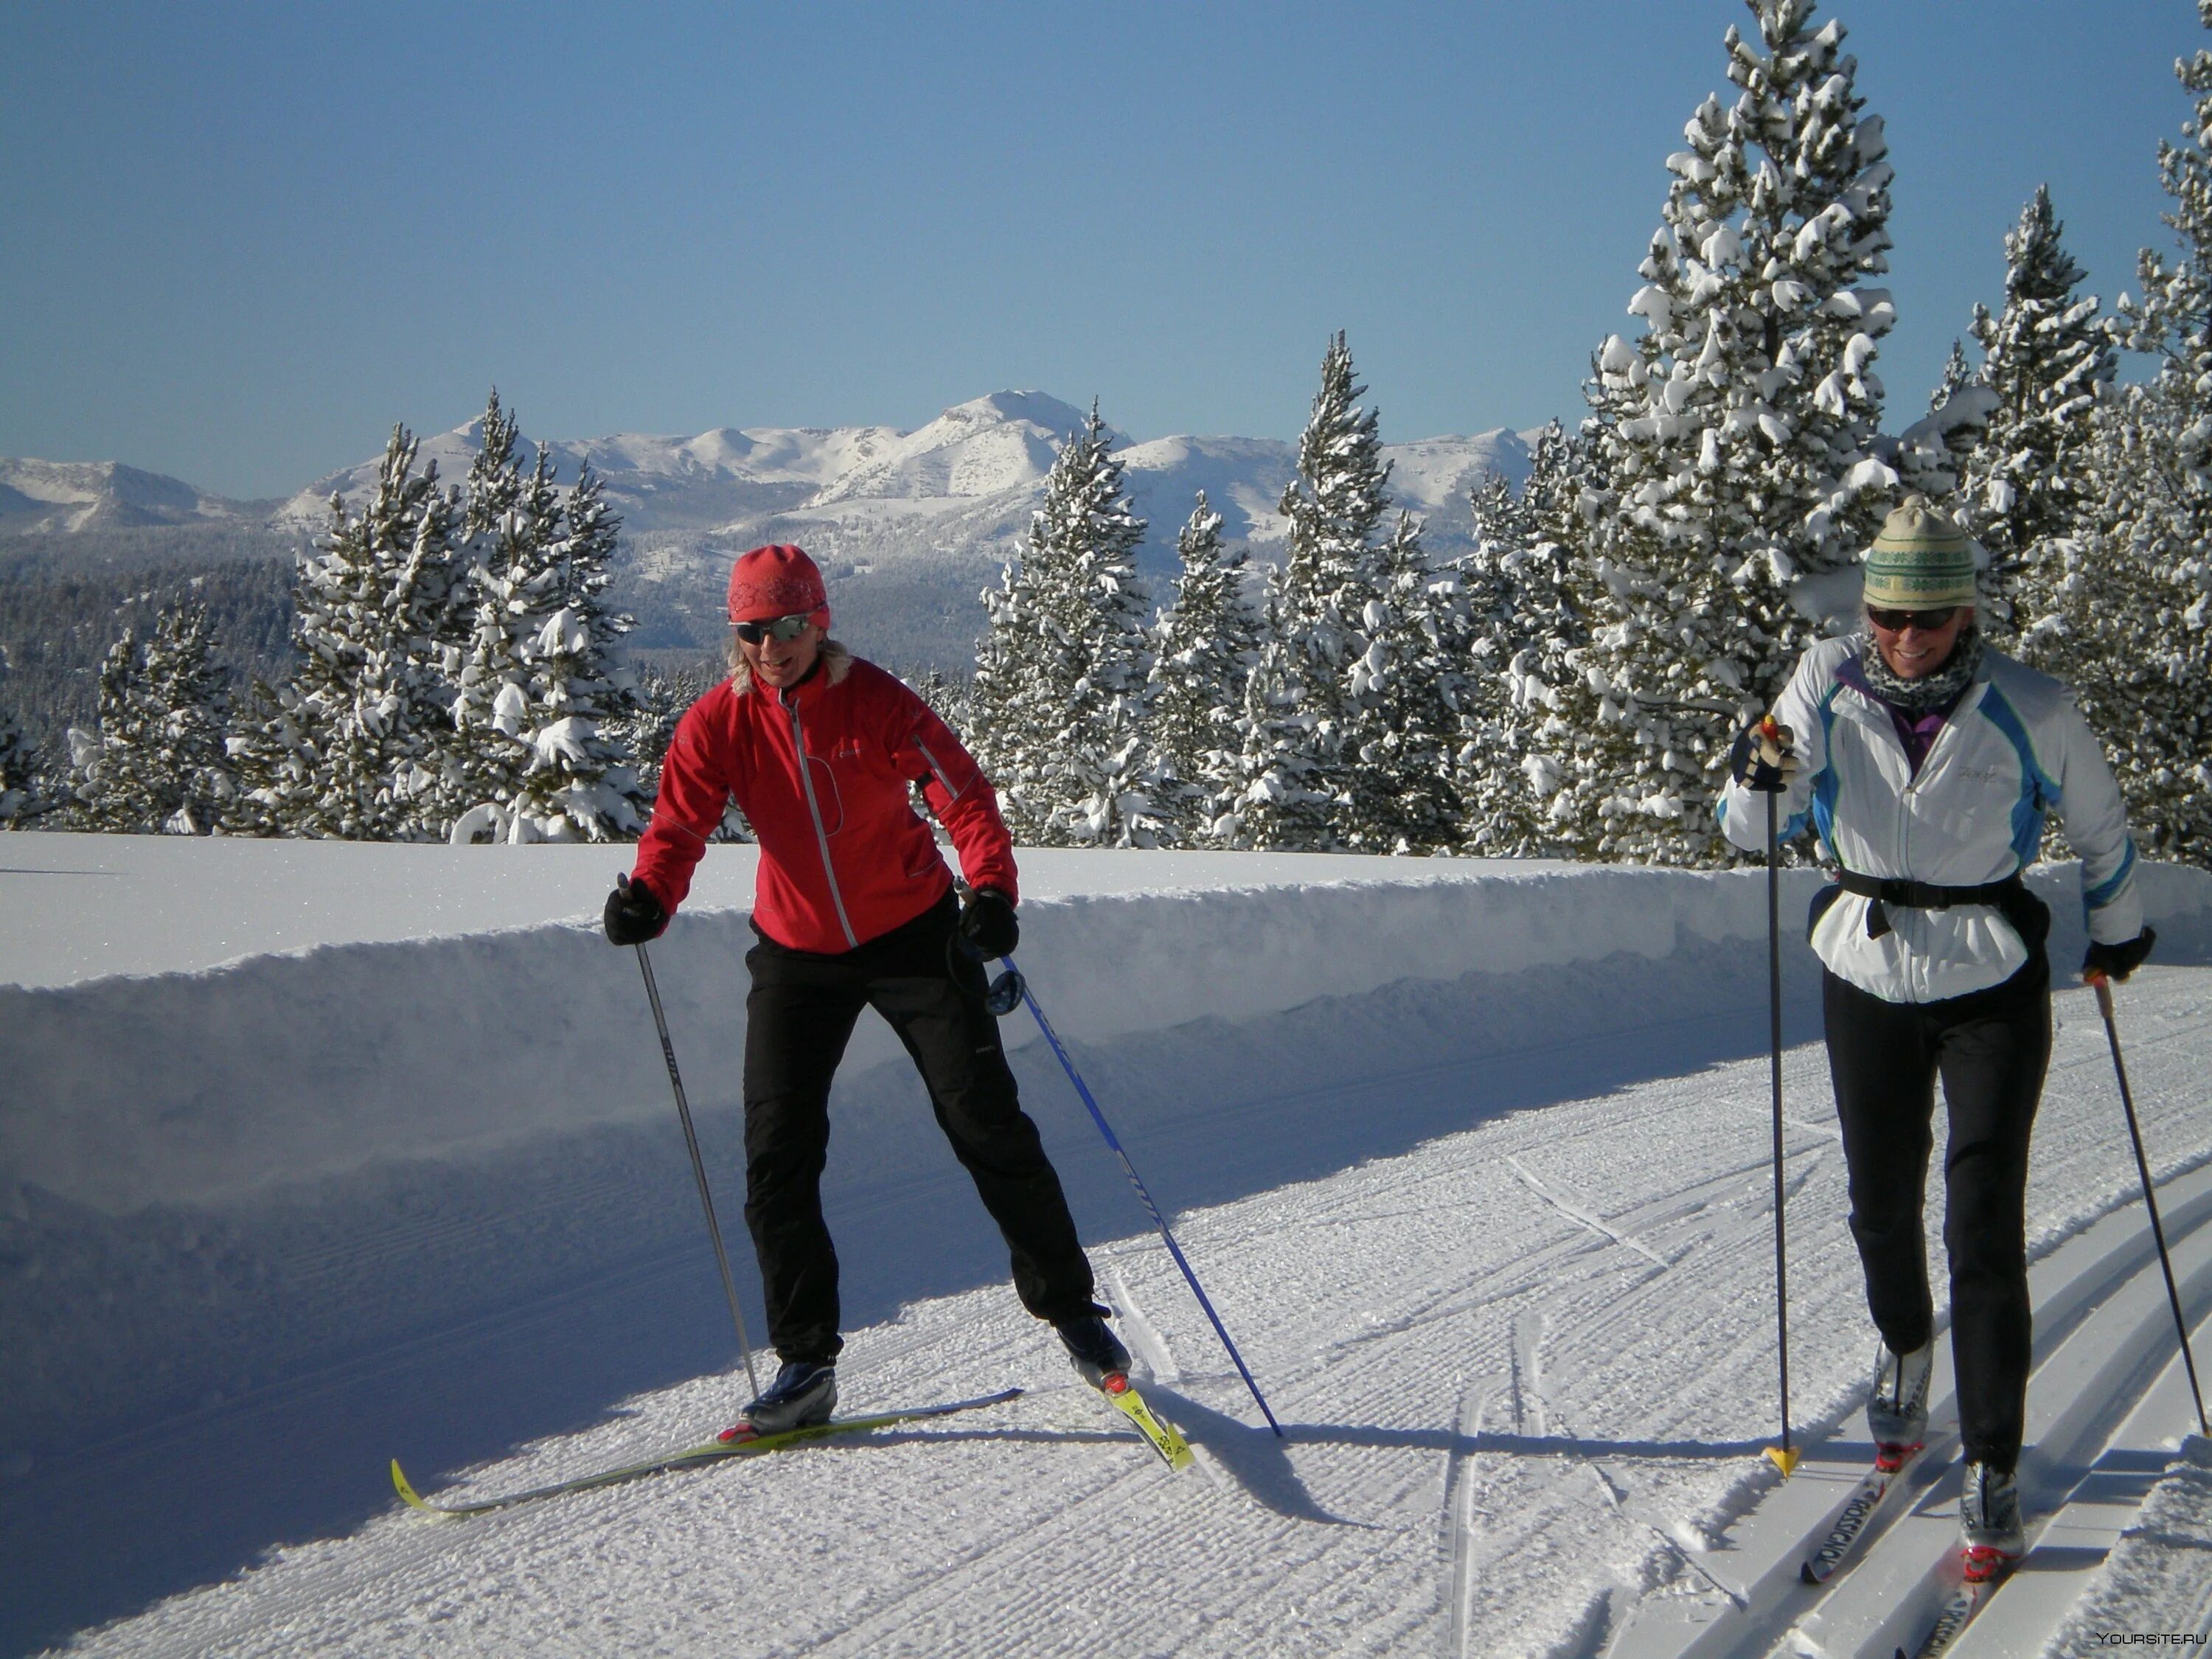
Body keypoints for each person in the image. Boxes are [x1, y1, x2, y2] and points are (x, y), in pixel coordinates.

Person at [1717, 495, 2154, 1581]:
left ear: (1967, 610)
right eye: (1888, 614)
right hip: (1864, 968)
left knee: (1982, 1220)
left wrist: (2115, 932)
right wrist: (1759, 774)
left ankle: (1994, 1463)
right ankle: (1908, 1350)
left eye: (1931, 615)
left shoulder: (2030, 703)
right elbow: (1749, 827)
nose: (1906, 636)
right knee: (1878, 1199)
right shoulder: (1827, 678)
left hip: (1989, 979)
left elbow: (2100, 827)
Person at [603, 543, 1130, 1432]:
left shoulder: (878, 703)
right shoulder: (717, 725)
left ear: (821, 623)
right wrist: (651, 894)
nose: (773, 645)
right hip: (796, 951)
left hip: (915, 935)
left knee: (983, 1121)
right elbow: (677, 826)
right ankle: (806, 1364)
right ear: (737, 634)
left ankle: (1073, 1312)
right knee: (778, 1153)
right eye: (754, 629)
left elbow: (965, 799)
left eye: (791, 625)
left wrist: (992, 890)